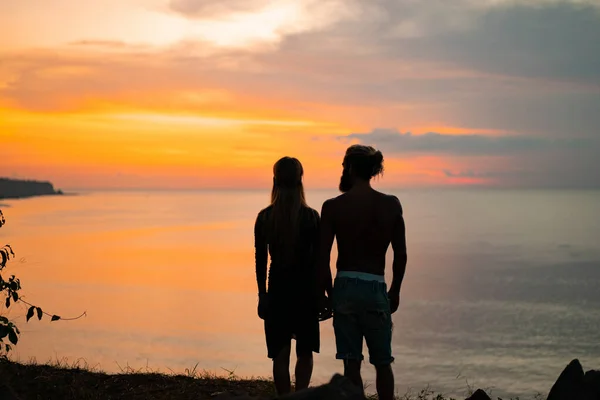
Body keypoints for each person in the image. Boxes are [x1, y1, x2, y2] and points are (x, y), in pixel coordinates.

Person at [318, 144, 407, 400]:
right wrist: (395, 290)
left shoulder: (333, 207)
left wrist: (327, 292)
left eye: (344, 165)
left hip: (345, 287)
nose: (342, 170)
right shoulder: (390, 205)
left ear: (351, 168)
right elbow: (400, 255)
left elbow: (323, 256)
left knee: (351, 363)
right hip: (375, 289)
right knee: (382, 362)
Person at [254, 156, 321, 396]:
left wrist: (262, 295)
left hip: (278, 290)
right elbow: (319, 262)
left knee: (280, 354)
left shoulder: (265, 217)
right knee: (305, 351)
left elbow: (260, 261)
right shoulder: (311, 217)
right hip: (305, 291)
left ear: (275, 181)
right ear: (300, 180)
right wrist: (323, 293)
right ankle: (301, 395)